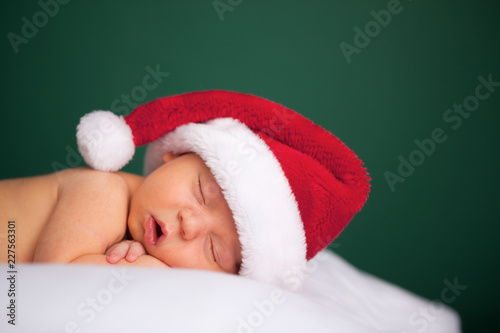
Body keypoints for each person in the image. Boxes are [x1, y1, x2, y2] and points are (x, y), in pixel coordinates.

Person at [0, 90, 370, 291]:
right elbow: (58, 280)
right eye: (200, 192)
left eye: (214, 250)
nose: (190, 224)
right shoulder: (103, 189)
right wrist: (147, 269)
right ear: (173, 154)